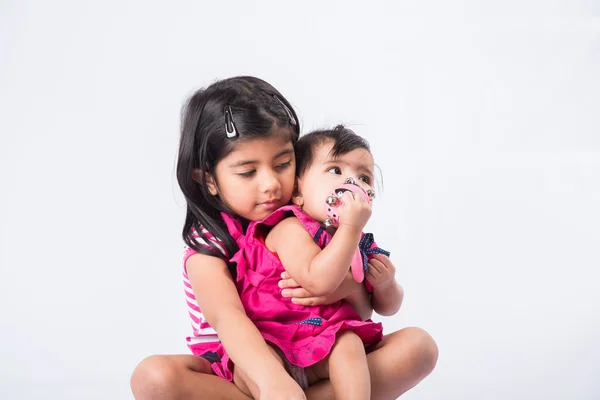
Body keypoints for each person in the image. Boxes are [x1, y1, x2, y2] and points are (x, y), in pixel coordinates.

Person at [130, 76, 438, 400]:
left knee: (418, 348)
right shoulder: (208, 244)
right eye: (248, 172)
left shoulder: (305, 214)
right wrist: (272, 381)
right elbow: (227, 317)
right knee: (153, 378)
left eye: (283, 164)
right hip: (246, 370)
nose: (271, 184)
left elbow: (357, 317)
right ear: (208, 179)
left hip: (318, 350)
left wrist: (349, 288)